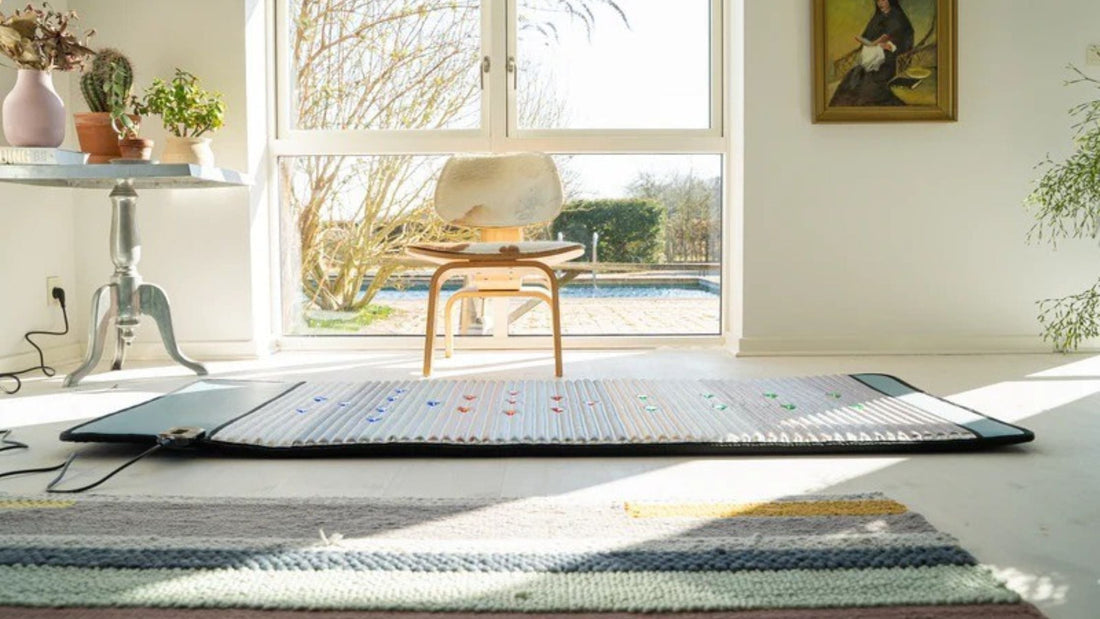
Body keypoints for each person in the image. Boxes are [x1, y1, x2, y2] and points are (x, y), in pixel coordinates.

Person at [829, 0, 915, 107]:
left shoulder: (899, 19)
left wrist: (887, 46)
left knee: (868, 87)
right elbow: (867, 38)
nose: (880, 3)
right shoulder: (877, 17)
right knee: (852, 78)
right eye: (878, 0)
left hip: (891, 62)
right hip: (873, 59)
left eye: (883, 0)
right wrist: (870, 45)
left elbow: (903, 42)